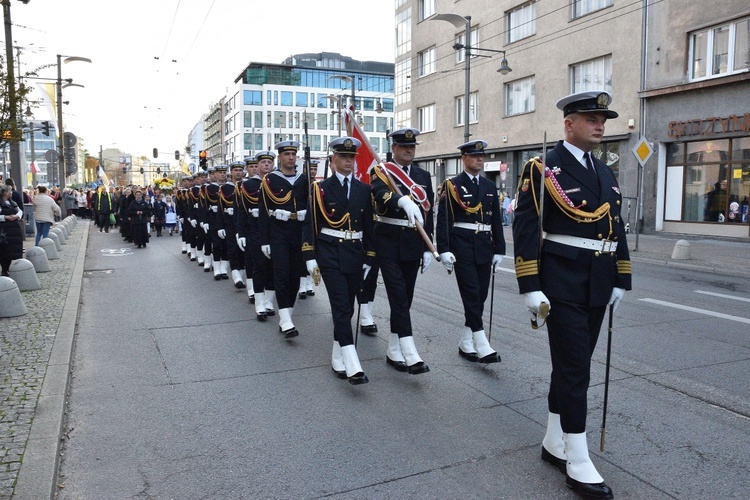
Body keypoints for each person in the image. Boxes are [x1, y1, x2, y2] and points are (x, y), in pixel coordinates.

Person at [512, 90, 631, 500]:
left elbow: (616, 226)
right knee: (576, 369)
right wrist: (529, 284)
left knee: (570, 365)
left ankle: (551, 440)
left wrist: (621, 276)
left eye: (604, 119)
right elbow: (526, 227)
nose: (600, 125)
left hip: (598, 280)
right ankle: (578, 461)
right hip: (560, 282)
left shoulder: (605, 171)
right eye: (592, 118)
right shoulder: (543, 168)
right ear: (569, 123)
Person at [304, 137, 375, 384]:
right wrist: (309, 255)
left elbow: (369, 227)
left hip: (355, 253)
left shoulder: (364, 190)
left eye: (352, 157)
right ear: (333, 160)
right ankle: (352, 361)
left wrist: (370, 256)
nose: (348, 161)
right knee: (341, 306)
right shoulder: (320, 189)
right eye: (344, 157)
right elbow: (311, 223)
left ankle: (337, 356)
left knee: (349, 307)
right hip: (330, 252)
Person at [369, 128, 434, 375]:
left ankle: (394, 349)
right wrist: (400, 200)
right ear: (394, 148)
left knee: (405, 297)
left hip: (413, 241)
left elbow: (428, 211)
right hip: (387, 239)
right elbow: (378, 194)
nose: (409, 150)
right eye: (404, 147)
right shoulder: (382, 170)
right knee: (397, 294)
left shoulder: (422, 175)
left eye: (412, 147)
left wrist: (429, 246)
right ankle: (410, 351)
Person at [436, 139, 505, 364]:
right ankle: (481, 342)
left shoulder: (489, 187)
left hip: (484, 245)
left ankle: (466, 343)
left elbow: (496, 219)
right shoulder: (452, 185)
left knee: (480, 295)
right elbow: (444, 218)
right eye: (474, 156)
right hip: (462, 246)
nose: (479, 159)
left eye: (481, 156)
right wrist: (443, 249)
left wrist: (499, 248)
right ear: (464, 158)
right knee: (471, 293)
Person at [259, 140, 308, 338]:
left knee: (295, 274)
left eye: (293, 154)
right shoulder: (270, 180)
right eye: (286, 154)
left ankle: (288, 313)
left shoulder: (304, 179)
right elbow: (263, 211)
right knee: (281, 273)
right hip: (278, 231)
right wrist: (264, 240)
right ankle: (285, 319)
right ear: (279, 157)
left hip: (298, 231)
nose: (290, 157)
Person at [237, 152, 276, 320]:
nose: (266, 165)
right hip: (255, 230)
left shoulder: (277, 182)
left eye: (269, 162)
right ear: (257, 166)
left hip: (275, 231)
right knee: (259, 267)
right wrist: (241, 232)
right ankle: (259, 303)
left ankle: (269, 302)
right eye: (263, 162)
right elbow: (242, 210)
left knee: (273, 269)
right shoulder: (248, 185)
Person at [0, 185, 24, 276]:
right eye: (10, 191)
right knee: (4, 251)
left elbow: (19, 211)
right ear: (5, 193)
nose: (12, 192)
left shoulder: (12, 202)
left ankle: (9, 268)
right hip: (4, 230)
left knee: (12, 251)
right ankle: (4, 269)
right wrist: (6, 217)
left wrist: (17, 216)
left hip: (14, 230)